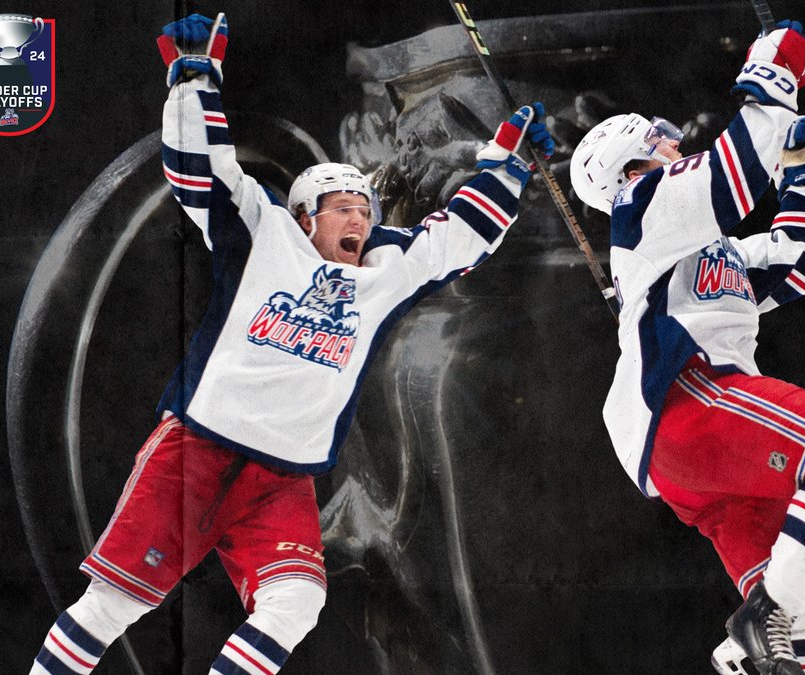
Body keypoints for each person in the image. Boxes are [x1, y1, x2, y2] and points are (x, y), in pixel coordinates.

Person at [30, 13, 552, 674]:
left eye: (366, 209)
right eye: (343, 206)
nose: (359, 218)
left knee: (296, 601)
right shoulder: (264, 232)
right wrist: (194, 79)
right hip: (198, 452)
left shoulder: (384, 273)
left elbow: (457, 240)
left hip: (282, 478)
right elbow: (200, 173)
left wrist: (505, 166)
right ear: (306, 215)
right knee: (111, 605)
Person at [570, 21, 805, 675]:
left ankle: (752, 643)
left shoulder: (698, 250)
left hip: (701, 465)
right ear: (629, 163)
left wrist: (803, 179)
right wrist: (771, 67)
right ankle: (756, 620)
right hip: (691, 405)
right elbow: (735, 168)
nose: (673, 141)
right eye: (657, 138)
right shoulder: (644, 200)